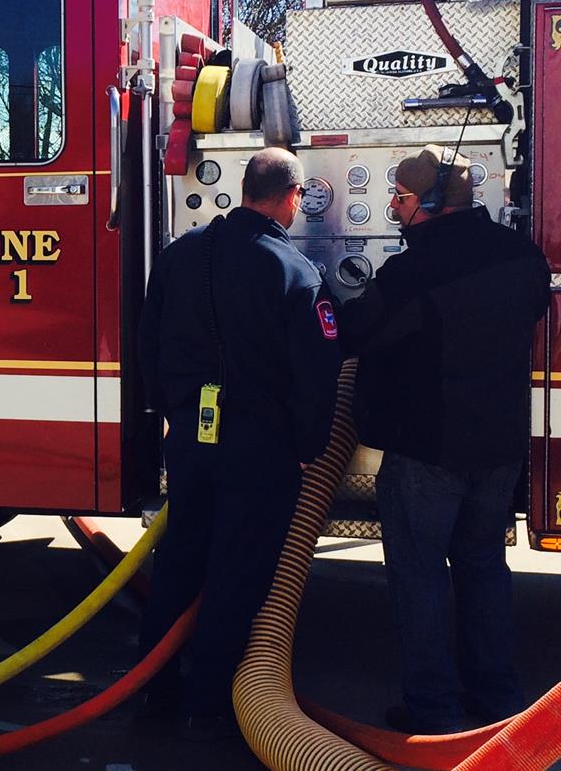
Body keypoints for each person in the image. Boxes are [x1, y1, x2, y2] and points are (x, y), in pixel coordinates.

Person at [338, 145, 549, 735]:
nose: (393, 207)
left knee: (421, 573)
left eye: (400, 198)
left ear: (427, 202)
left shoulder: (414, 271)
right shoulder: (523, 256)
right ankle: (498, 700)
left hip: (426, 449)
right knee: (484, 566)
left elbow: (360, 333)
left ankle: (434, 713)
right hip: (499, 447)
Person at [137, 147, 342, 739]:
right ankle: (207, 703)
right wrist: (309, 446)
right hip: (260, 450)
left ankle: (154, 689)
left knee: (179, 560)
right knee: (237, 572)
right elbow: (318, 374)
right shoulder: (296, 272)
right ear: (291, 197)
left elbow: (147, 341)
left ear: (245, 187)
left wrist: (173, 414)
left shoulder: (180, 255)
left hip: (191, 440)